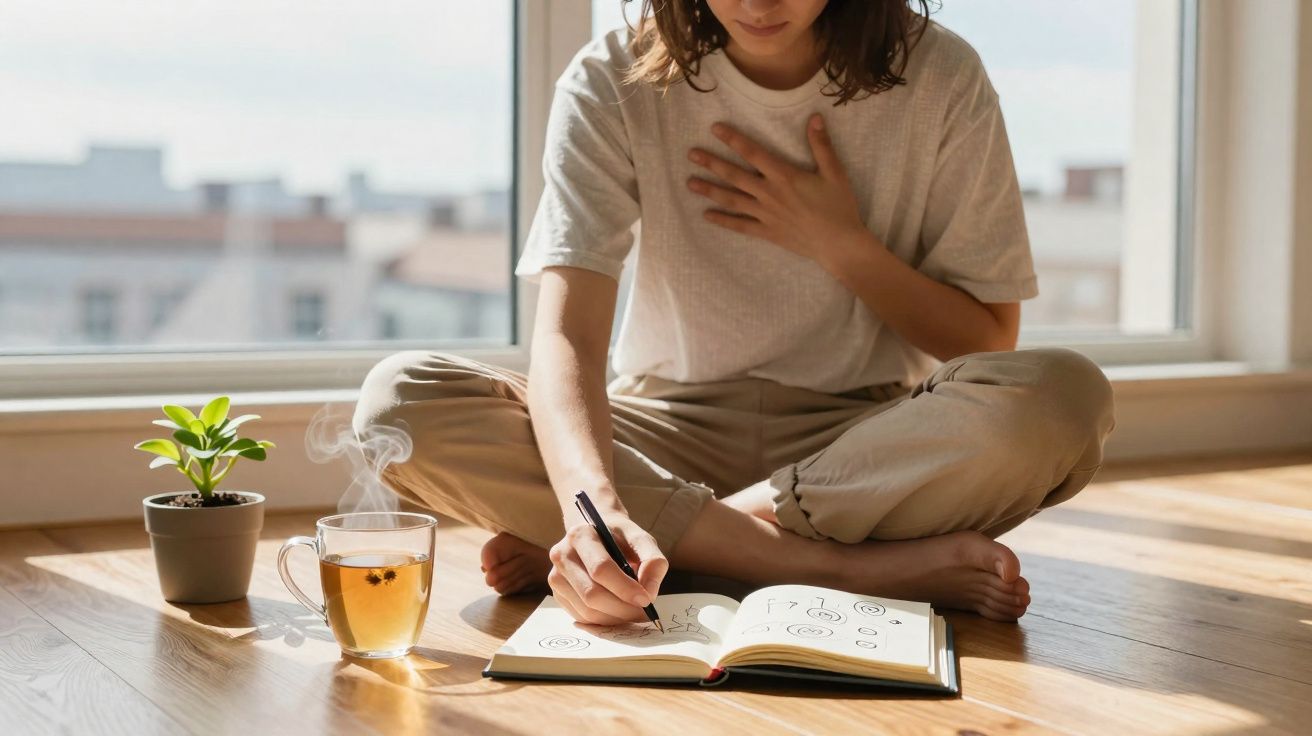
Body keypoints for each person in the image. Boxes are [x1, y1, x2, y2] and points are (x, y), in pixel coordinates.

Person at [353, 0, 1115, 626]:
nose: (757, 2)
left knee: (1068, 398)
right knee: (399, 401)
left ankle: (666, 547)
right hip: (659, 437)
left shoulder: (943, 76)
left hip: (860, 453)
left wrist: (841, 245)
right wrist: (596, 503)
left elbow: (986, 338)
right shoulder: (612, 76)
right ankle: (831, 568)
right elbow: (566, 335)